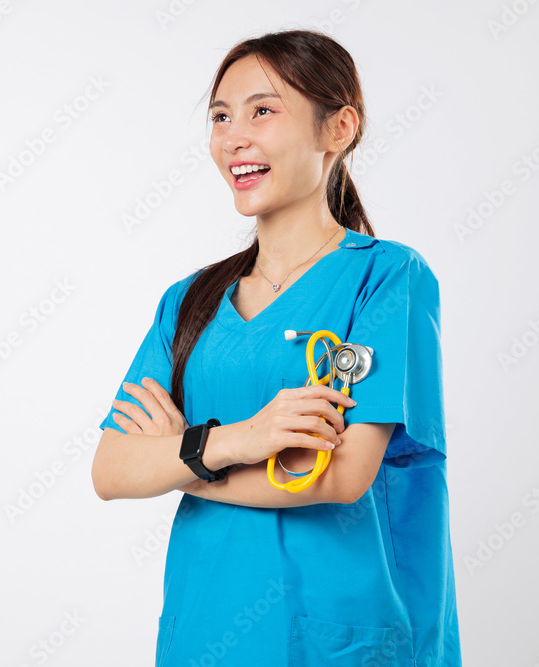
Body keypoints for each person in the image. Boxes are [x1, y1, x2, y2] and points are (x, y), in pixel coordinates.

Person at [91, 30, 462, 666]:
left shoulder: (386, 279)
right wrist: (240, 440)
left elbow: (340, 476)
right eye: (220, 117)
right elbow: (113, 470)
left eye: (262, 110)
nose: (234, 137)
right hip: (204, 631)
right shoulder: (189, 301)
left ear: (338, 128)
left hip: (340, 637)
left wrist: (182, 458)